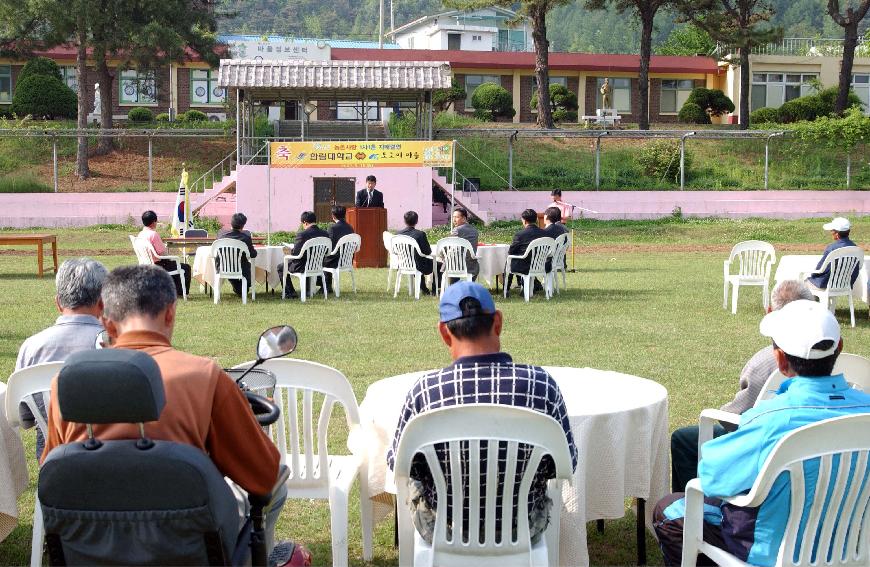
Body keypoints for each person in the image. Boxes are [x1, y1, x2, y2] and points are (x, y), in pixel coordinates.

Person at [41, 265, 288, 557]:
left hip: (91, 552)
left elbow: (51, 477)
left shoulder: (66, 385)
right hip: (187, 553)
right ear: (170, 313)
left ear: (106, 322)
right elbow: (263, 475)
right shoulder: (204, 376)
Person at [653, 299, 870, 567]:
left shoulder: (770, 420)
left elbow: (711, 475)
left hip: (772, 552)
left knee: (669, 510)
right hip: (855, 545)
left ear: (779, 360)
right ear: (839, 347)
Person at [386, 282, 578, 544]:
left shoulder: (425, 393)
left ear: (444, 332)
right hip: (522, 528)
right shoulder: (542, 386)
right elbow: (566, 463)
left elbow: (399, 463)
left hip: (445, 529)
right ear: (497, 322)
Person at [669, 280, 815, 493]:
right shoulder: (851, 377)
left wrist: (725, 412)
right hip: (817, 457)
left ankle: (693, 508)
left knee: (684, 439)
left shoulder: (765, 363)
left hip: (765, 453)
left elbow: (739, 420)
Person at [16, 258, 108, 458]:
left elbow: (24, 417)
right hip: (110, 461)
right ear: (103, 302)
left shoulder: (31, 348)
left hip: (53, 465)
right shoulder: (117, 345)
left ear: (58, 302)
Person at [137, 210, 191, 297]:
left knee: (175, 265)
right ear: (154, 222)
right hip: (158, 265)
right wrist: (171, 256)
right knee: (185, 267)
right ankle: (180, 292)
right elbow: (162, 253)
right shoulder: (153, 234)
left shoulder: (141, 234)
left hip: (146, 264)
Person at [277, 211, 329, 299]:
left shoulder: (302, 234)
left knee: (281, 267)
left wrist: (292, 250)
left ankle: (290, 293)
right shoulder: (325, 234)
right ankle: (307, 290)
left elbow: (296, 254)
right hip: (318, 265)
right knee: (304, 261)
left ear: (305, 222)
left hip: (302, 266)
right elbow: (327, 251)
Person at [806, 216, 860, 290]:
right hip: (846, 285)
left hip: (826, 284)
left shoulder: (832, 248)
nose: (831, 232)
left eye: (832, 231)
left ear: (836, 234)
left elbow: (820, 269)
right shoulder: (855, 248)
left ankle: (815, 301)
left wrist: (813, 275)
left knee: (803, 284)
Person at [506, 208, 548, 294]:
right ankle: (531, 285)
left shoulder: (520, 235)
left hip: (524, 266)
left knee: (509, 262)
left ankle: (506, 289)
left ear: (524, 221)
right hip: (542, 265)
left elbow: (511, 252)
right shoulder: (545, 234)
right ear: (536, 219)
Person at [216, 212, 257, 298]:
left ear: (231, 223)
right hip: (241, 269)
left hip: (222, 267)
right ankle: (240, 285)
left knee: (241, 288)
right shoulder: (245, 238)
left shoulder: (220, 235)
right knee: (248, 266)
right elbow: (253, 254)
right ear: (243, 226)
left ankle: (235, 283)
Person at [397, 210, 434, 295]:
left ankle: (424, 289)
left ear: (404, 221)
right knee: (438, 265)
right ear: (417, 221)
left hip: (403, 264)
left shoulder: (398, 234)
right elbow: (427, 251)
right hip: (418, 264)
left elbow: (395, 250)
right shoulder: (420, 234)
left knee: (417, 260)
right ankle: (434, 290)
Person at [322, 205, 355, 294]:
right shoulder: (350, 227)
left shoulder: (332, 228)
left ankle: (325, 287)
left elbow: (328, 245)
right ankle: (325, 286)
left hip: (335, 261)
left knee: (319, 259)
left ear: (333, 216)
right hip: (347, 260)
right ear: (344, 215)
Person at [447, 207, 479, 280]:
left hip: (456, 265)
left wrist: (442, 256)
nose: (454, 220)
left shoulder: (457, 230)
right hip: (471, 264)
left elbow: (446, 245)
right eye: (453, 217)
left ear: (464, 218)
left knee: (440, 263)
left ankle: (438, 288)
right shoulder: (474, 230)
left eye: (457, 217)